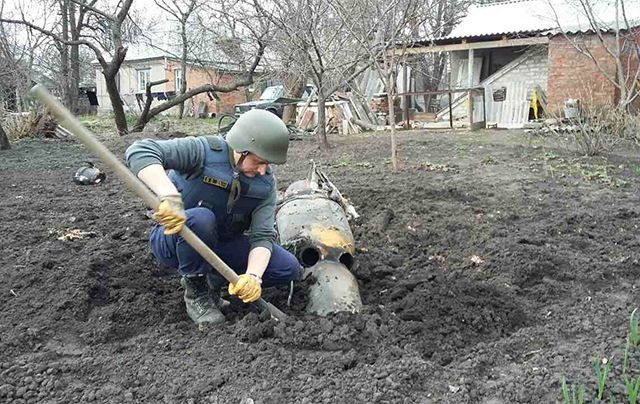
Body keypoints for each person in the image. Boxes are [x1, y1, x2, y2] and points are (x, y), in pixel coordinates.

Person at [125, 109, 301, 325]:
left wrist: (253, 277)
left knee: (288, 267)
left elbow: (262, 237)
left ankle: (212, 283)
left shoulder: (265, 186)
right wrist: (168, 196)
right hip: (174, 239)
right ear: (242, 149)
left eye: (268, 164)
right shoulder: (203, 152)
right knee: (201, 219)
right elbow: (141, 150)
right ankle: (196, 294)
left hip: (220, 245)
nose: (264, 170)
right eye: (259, 162)